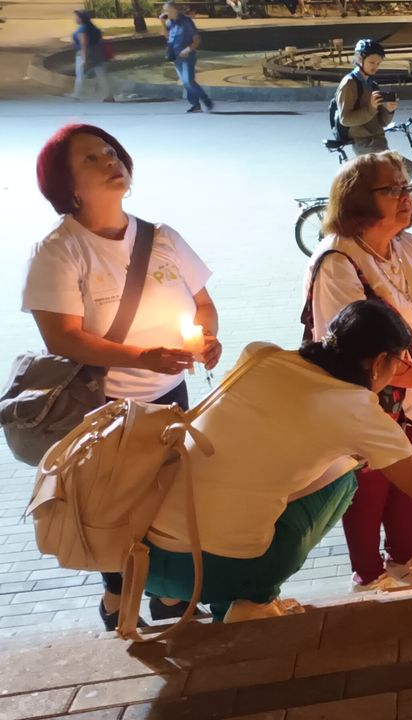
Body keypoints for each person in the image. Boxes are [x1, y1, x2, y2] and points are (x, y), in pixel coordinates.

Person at [142, 301, 412, 623]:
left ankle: (216, 602)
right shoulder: (356, 409)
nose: (399, 373)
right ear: (378, 363)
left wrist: (388, 451)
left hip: (147, 555)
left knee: (314, 469)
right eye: (400, 363)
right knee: (348, 478)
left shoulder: (260, 355)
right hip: (216, 572)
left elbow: (267, 437)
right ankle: (254, 601)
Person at [25, 123, 221, 630]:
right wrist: (142, 357)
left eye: (111, 152)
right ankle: (118, 597)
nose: (110, 160)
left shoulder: (162, 238)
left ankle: (172, 597)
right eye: (91, 158)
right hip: (103, 408)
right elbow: (62, 339)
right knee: (114, 508)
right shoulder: (59, 250)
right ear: (67, 185)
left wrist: (206, 340)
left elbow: (203, 304)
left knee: (174, 501)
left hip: (171, 396)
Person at [305, 151, 412, 591]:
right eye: (392, 189)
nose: (406, 197)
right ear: (360, 198)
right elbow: (360, 356)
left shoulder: (409, 247)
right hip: (364, 399)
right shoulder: (338, 261)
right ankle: (369, 575)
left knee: (410, 478)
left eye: (407, 187)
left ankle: (406, 559)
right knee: (369, 486)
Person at [336, 39, 399, 158]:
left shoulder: (372, 84)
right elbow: (345, 119)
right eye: (372, 62)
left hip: (378, 141)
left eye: (378, 63)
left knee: (407, 167)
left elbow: (382, 122)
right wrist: (371, 108)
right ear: (360, 59)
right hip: (363, 143)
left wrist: (388, 110)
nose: (375, 67)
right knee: (402, 169)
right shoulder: (349, 83)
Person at [161, 3, 212, 113]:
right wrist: (162, 23)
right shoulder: (170, 22)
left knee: (188, 81)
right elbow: (166, 36)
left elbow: (197, 39)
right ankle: (195, 104)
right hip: (176, 56)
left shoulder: (186, 22)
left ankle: (205, 99)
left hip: (187, 56)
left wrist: (188, 49)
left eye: (168, 10)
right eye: (165, 10)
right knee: (185, 82)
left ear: (174, 10)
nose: (166, 13)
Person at [71, 11, 113, 103]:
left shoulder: (82, 29)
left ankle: (77, 94)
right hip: (97, 51)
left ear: (81, 18)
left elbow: (83, 43)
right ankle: (108, 95)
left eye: (77, 17)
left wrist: (84, 58)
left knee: (80, 74)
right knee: (101, 74)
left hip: (86, 52)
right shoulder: (94, 28)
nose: (75, 19)